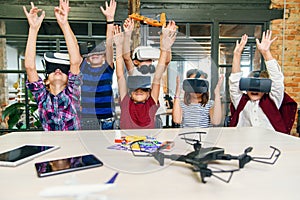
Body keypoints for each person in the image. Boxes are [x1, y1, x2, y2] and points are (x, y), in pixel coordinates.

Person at [23, 0, 82, 131]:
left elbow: (75, 61)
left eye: (63, 70)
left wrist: (64, 24)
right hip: (50, 148)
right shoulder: (42, 96)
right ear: (47, 81)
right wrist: (33, 29)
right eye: (52, 70)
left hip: (74, 148)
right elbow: (30, 67)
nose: (57, 70)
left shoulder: (72, 92)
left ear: (69, 80)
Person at [229, 31, 297, 134]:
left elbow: (277, 80)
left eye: (260, 85)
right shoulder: (240, 101)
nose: (255, 88)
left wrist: (266, 53)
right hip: (243, 144)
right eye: (251, 84)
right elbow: (234, 82)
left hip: (270, 145)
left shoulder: (274, 101)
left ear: (266, 89)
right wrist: (237, 54)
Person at [113, 21, 177, 129]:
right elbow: (121, 72)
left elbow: (162, 66)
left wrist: (165, 46)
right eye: (144, 60)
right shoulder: (127, 98)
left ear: (148, 93)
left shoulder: (151, 98)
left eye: (150, 60)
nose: (139, 90)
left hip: (154, 117)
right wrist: (121, 43)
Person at [79, 0, 117, 130]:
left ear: (104, 56)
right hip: (87, 119)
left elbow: (109, 44)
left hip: (106, 118)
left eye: (99, 52)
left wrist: (110, 20)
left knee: (106, 149)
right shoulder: (83, 68)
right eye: (91, 53)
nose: (95, 54)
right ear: (87, 58)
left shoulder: (107, 68)